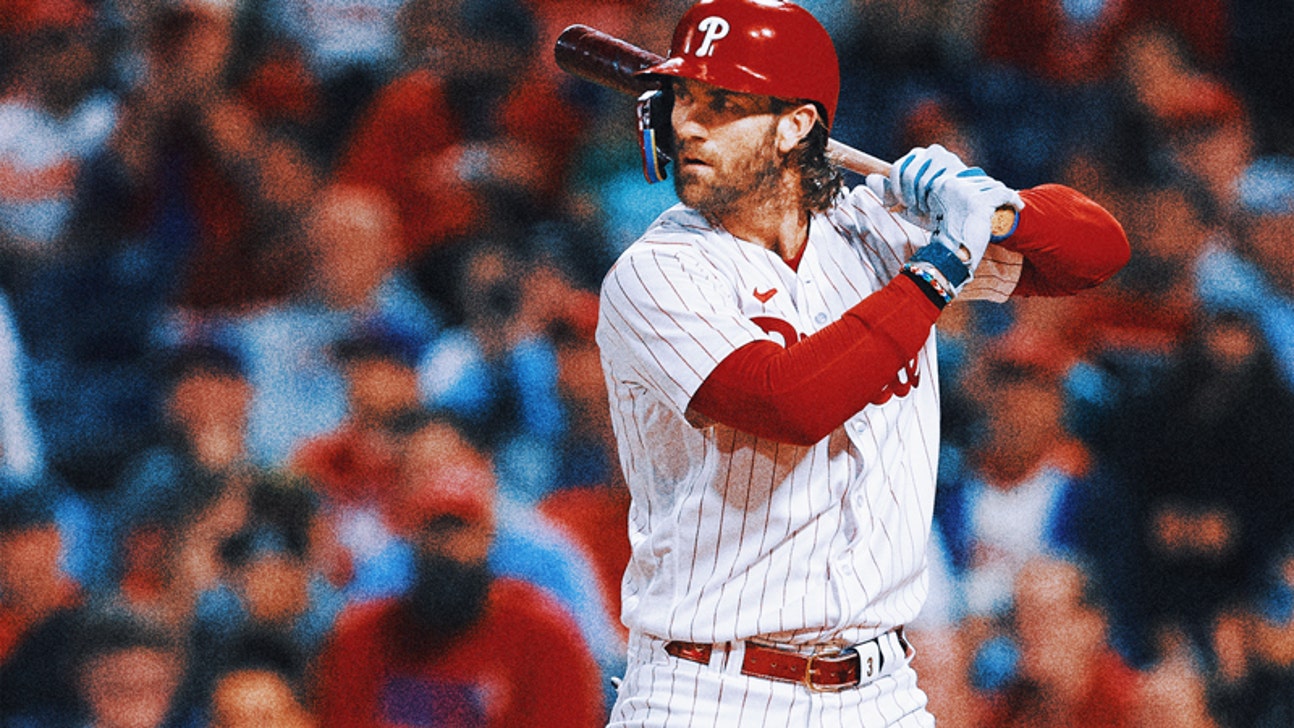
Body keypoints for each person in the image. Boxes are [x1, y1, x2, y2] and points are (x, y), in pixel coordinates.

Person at [593, 0, 1130, 724]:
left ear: (796, 126)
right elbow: (788, 404)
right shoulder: (657, 271)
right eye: (683, 99)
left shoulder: (878, 230)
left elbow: (1098, 254)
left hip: (881, 689)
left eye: (722, 105)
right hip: (711, 688)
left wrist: (1000, 210)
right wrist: (941, 265)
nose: (688, 124)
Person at [311, 414, 605, 727]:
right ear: (410, 535)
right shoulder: (363, 636)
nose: (448, 548)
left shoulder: (544, 635)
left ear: (488, 536)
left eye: (462, 530)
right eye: (435, 530)